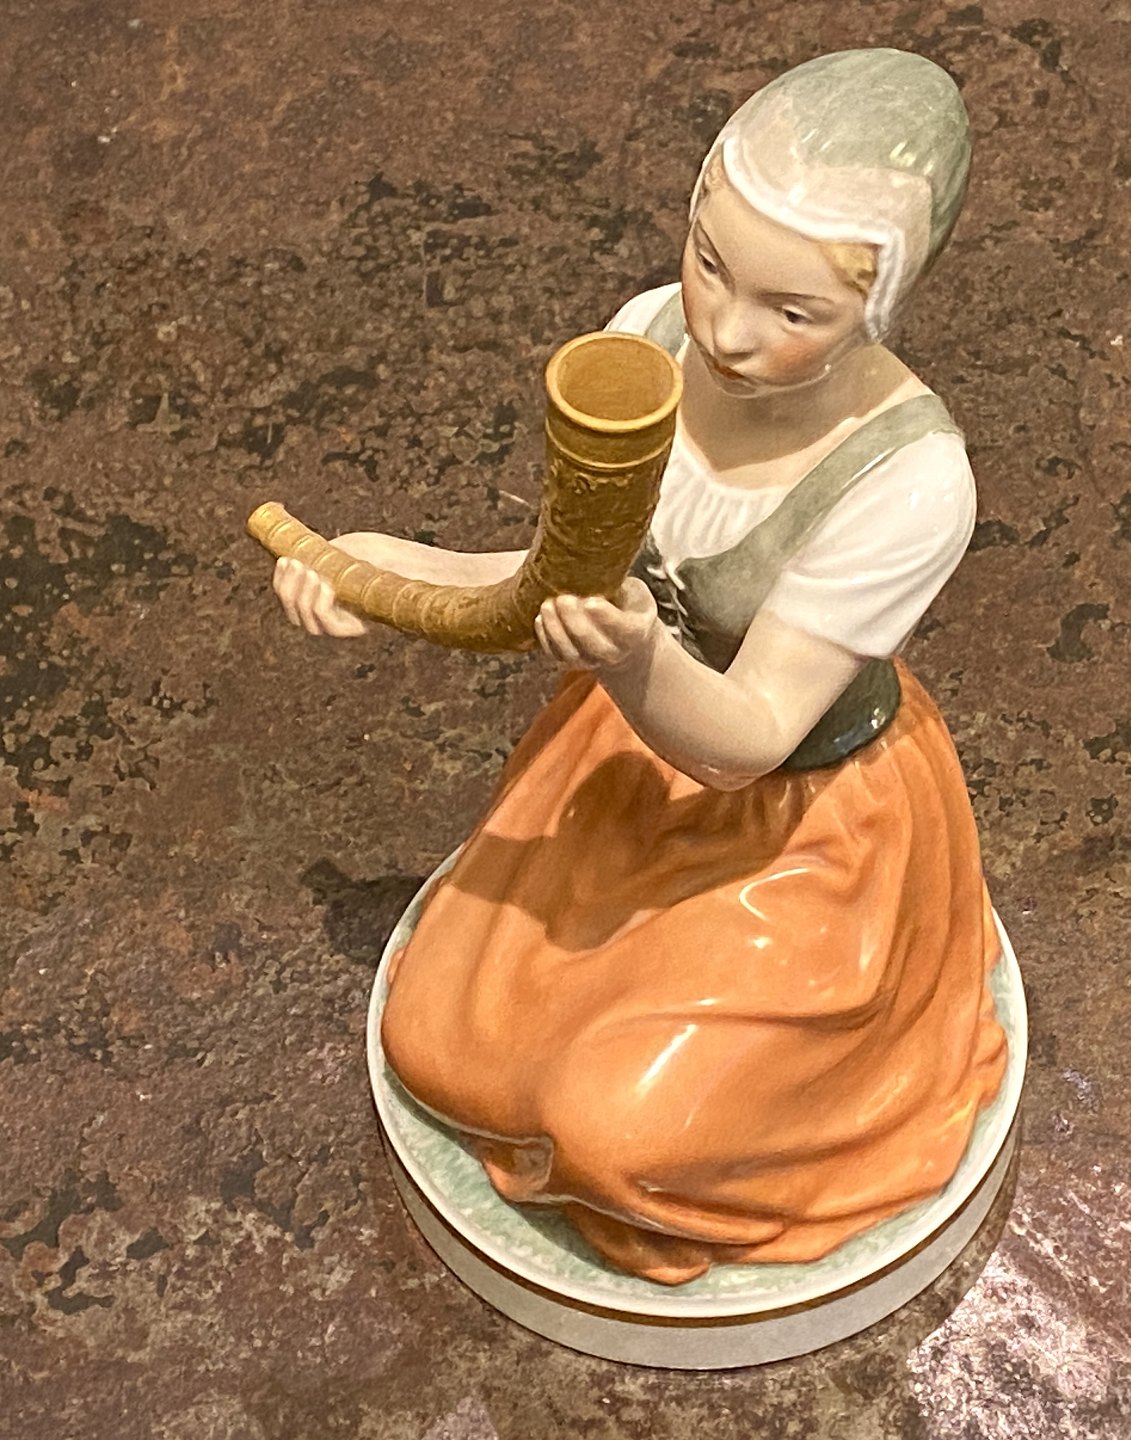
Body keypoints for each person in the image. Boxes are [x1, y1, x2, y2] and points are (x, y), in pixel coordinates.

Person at [272, 50, 1007, 1285]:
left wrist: (630, 655)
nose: (724, 329)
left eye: (795, 314)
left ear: (881, 308)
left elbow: (750, 736)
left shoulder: (910, 482)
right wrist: (383, 565)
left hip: (808, 824)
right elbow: (557, 578)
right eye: (711, 264)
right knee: (440, 1043)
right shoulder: (645, 343)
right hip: (623, 766)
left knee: (619, 1136)